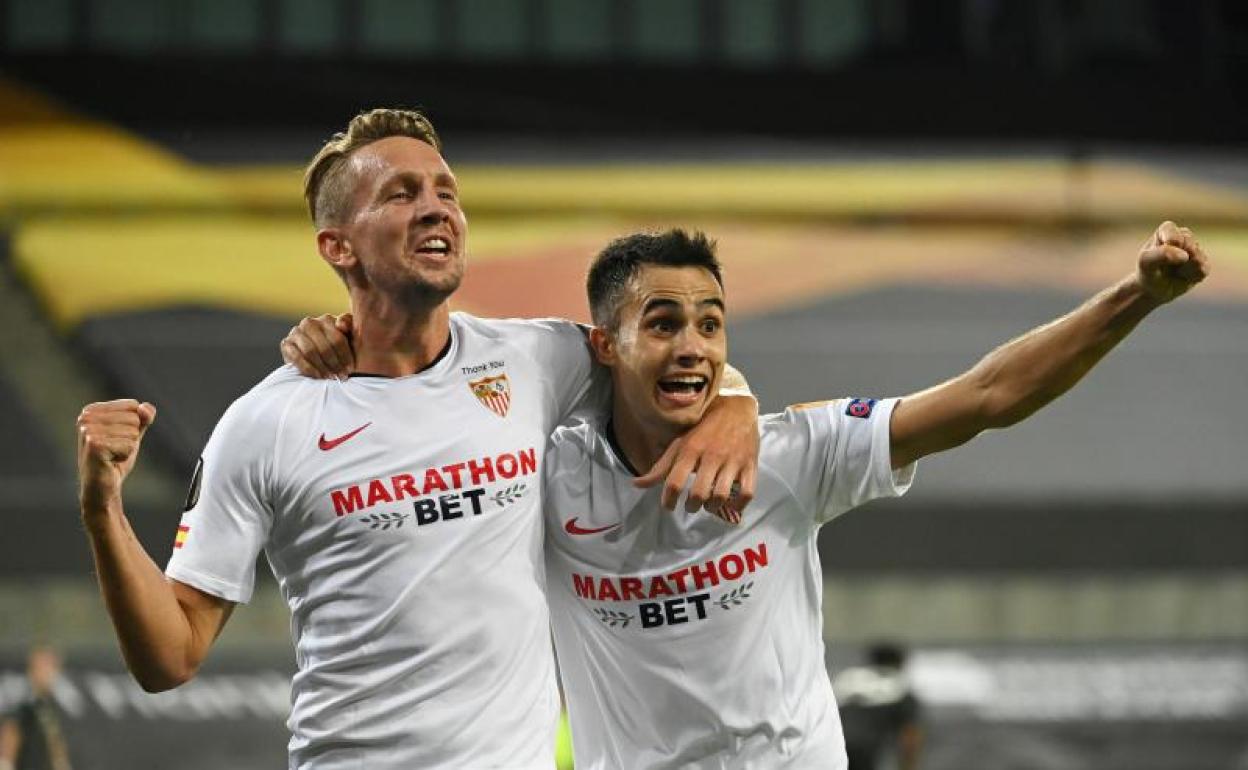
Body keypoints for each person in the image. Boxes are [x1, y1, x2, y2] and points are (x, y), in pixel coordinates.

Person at [289, 220, 1208, 768]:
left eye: (712, 325)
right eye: (663, 323)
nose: (693, 344)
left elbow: (987, 397)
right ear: (603, 345)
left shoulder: (790, 456)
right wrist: (346, 349)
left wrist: (1135, 295)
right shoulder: (545, 477)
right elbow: (430, 405)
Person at [74, 109, 760, 769]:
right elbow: (170, 656)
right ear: (338, 246)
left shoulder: (534, 359)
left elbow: (672, 363)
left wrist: (735, 402)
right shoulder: (266, 424)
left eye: (445, 192)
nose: (437, 208)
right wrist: (103, 508)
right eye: (401, 194)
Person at [834, 642, 922, 770]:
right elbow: (910, 737)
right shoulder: (899, 687)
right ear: (901, 664)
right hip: (864, 750)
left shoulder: (847, 679)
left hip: (830, 745)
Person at [0, 645, 75, 770]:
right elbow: (10, 734)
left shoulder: (50, 704)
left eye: (51, 668)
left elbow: (55, 740)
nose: (48, 674)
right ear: (32, 670)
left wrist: (61, 763)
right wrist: (6, 763)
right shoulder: (24, 702)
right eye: (42, 668)